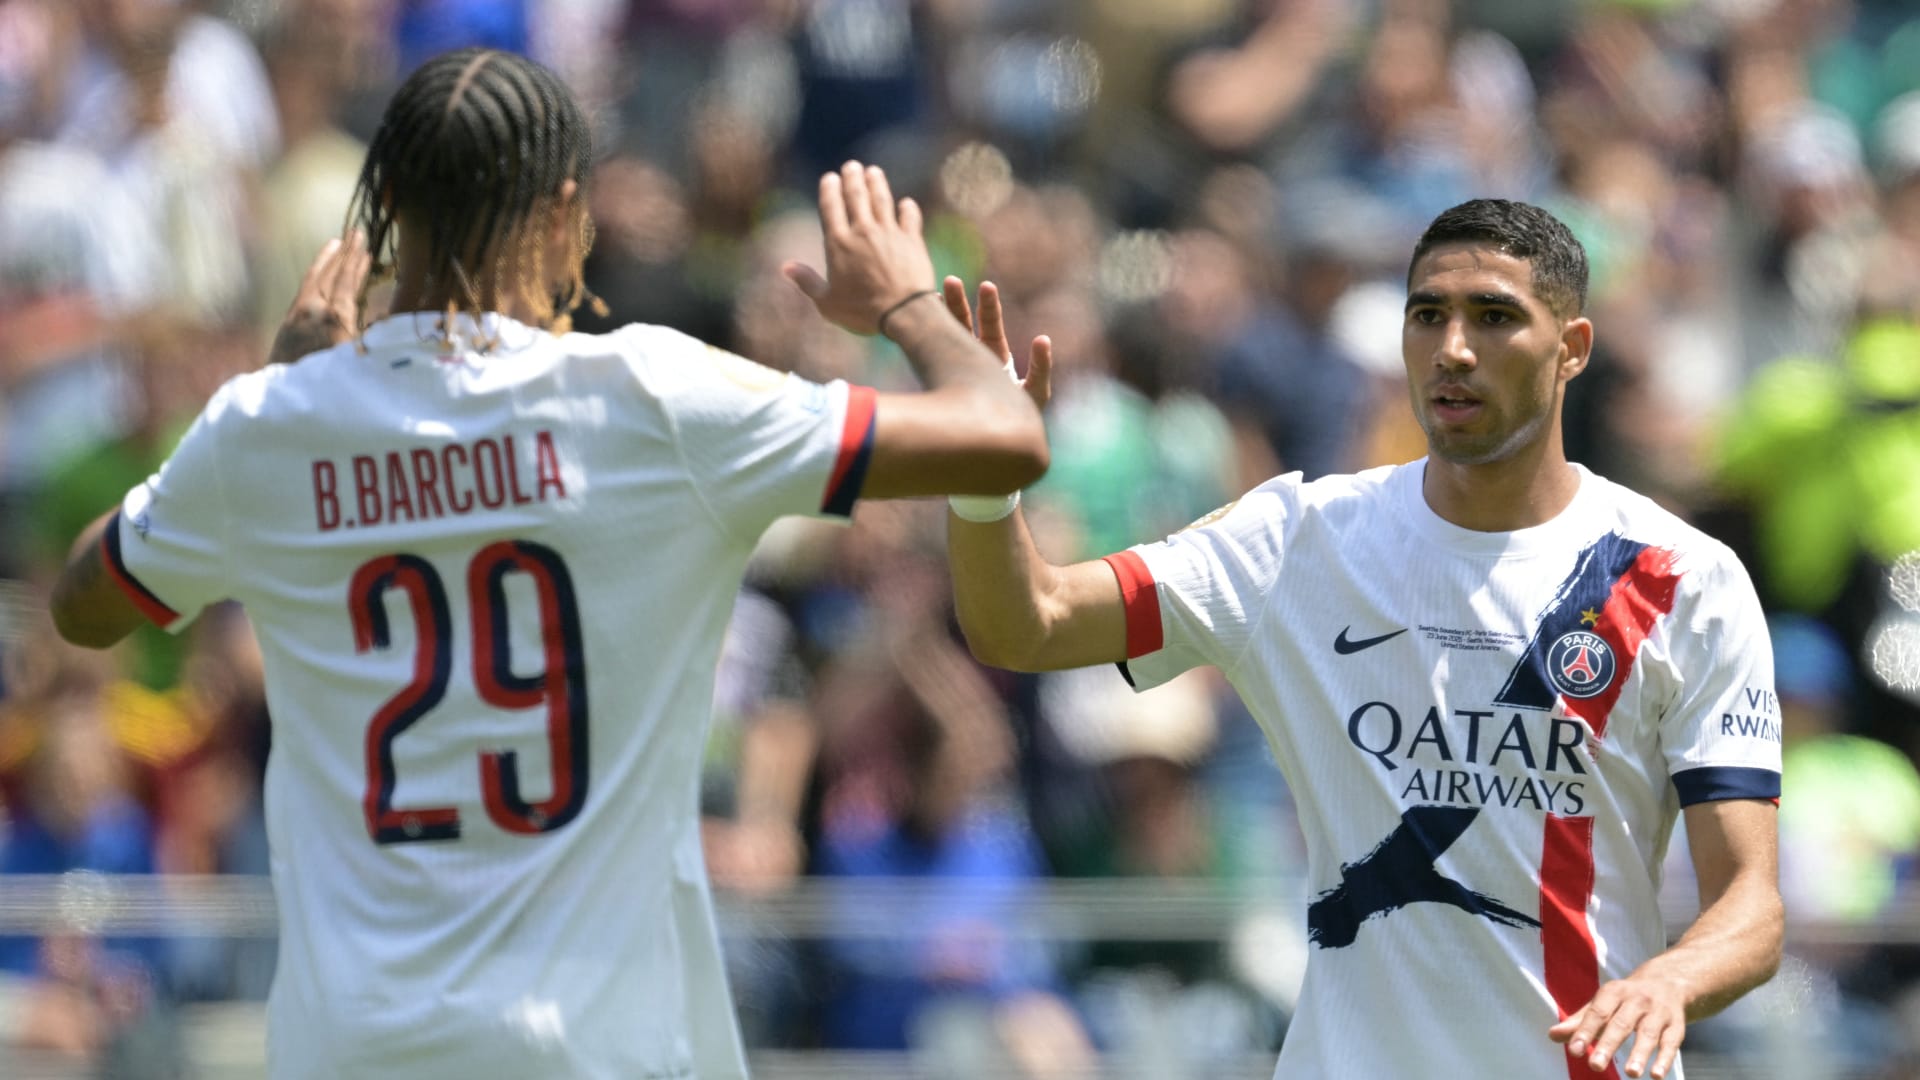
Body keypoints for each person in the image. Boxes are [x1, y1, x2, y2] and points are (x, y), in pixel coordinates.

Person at [47, 47, 1046, 1080]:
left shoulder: (268, 423)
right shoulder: (651, 399)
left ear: (386, 207)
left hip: (353, 1052)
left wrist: (279, 400)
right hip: (595, 1052)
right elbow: (1003, 438)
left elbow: (84, 604)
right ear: (567, 213)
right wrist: (906, 304)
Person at [944, 199, 1783, 1080]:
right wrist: (982, 482)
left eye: (1493, 317)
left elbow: (1751, 906)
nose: (1453, 348)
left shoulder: (1683, 579)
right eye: (1427, 315)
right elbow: (1023, 624)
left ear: (1572, 348)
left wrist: (1671, 981)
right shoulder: (1297, 541)